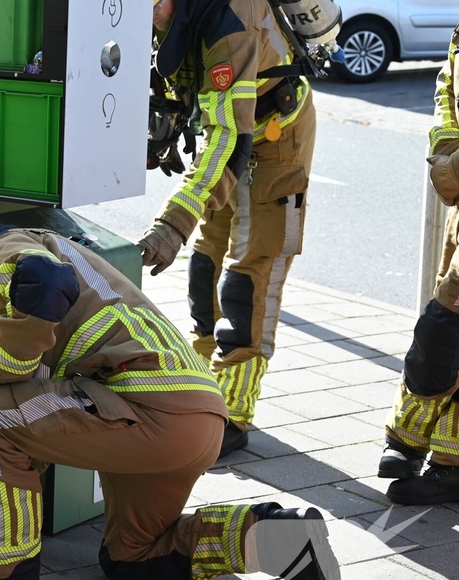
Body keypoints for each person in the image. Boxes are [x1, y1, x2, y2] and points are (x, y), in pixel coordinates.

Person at [0, 198, 340, 580]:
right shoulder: (50, 251)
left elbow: (43, 282)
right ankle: (283, 538)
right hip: (196, 415)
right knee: (134, 556)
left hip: (146, 406)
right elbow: (33, 423)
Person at [139, 0, 317, 458]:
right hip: (230, 126)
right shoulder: (165, 14)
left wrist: (173, 222)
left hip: (276, 135)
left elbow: (229, 137)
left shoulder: (231, 21)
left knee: (249, 275)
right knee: (205, 266)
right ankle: (202, 387)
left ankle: (233, 413)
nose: (147, 9)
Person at [379, 1, 459, 504]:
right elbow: (449, 85)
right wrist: (446, 148)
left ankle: (407, 439)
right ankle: (458, 466)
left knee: (446, 332)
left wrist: (454, 169)